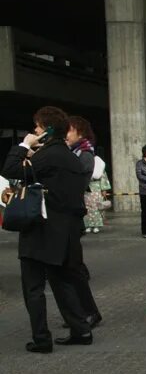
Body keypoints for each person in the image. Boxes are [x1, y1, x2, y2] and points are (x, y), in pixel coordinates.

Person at [3, 106, 95, 352]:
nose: (34, 131)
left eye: (38, 127)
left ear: (48, 131)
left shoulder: (49, 155)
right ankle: (81, 330)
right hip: (65, 231)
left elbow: (11, 170)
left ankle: (42, 339)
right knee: (61, 281)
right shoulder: (69, 157)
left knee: (33, 287)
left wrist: (24, 145)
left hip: (40, 230)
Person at [65, 115, 102, 326]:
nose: (66, 134)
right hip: (69, 215)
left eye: (69, 130)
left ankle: (88, 312)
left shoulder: (85, 154)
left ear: (80, 132)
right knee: (69, 269)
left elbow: (76, 182)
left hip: (73, 215)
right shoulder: (75, 152)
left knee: (75, 269)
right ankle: (77, 313)